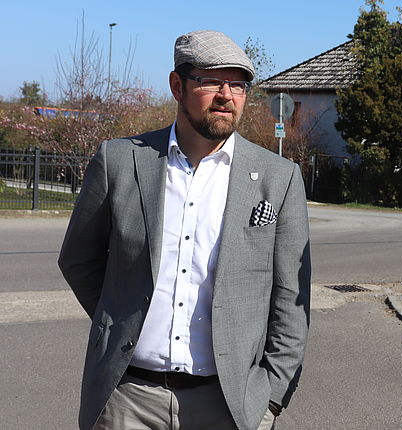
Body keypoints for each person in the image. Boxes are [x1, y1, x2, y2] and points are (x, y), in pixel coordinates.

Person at [58, 30, 311, 430]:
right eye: (211, 80)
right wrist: (122, 317)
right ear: (178, 85)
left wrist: (270, 400)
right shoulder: (121, 161)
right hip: (127, 400)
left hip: (229, 404)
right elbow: (78, 260)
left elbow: (290, 302)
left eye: (239, 84)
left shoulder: (278, 179)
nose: (227, 95)